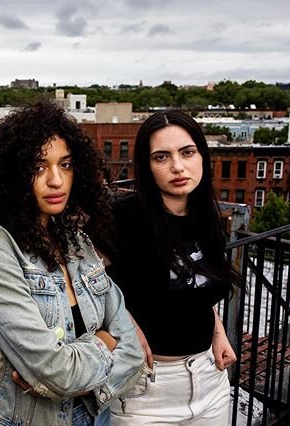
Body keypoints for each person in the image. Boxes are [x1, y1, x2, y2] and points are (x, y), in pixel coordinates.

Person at [0, 101, 144, 425]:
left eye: (66, 165)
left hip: (93, 416)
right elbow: (58, 372)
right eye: (39, 167)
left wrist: (71, 381)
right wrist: (103, 342)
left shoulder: (75, 241)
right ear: (12, 175)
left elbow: (134, 351)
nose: (56, 181)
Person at [100, 110, 239, 425]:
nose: (178, 166)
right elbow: (82, 282)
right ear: (147, 167)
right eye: (161, 157)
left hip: (209, 379)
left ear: (202, 156)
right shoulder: (122, 219)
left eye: (187, 152)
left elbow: (197, 286)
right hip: (146, 391)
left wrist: (217, 331)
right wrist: (125, 322)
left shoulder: (207, 218)